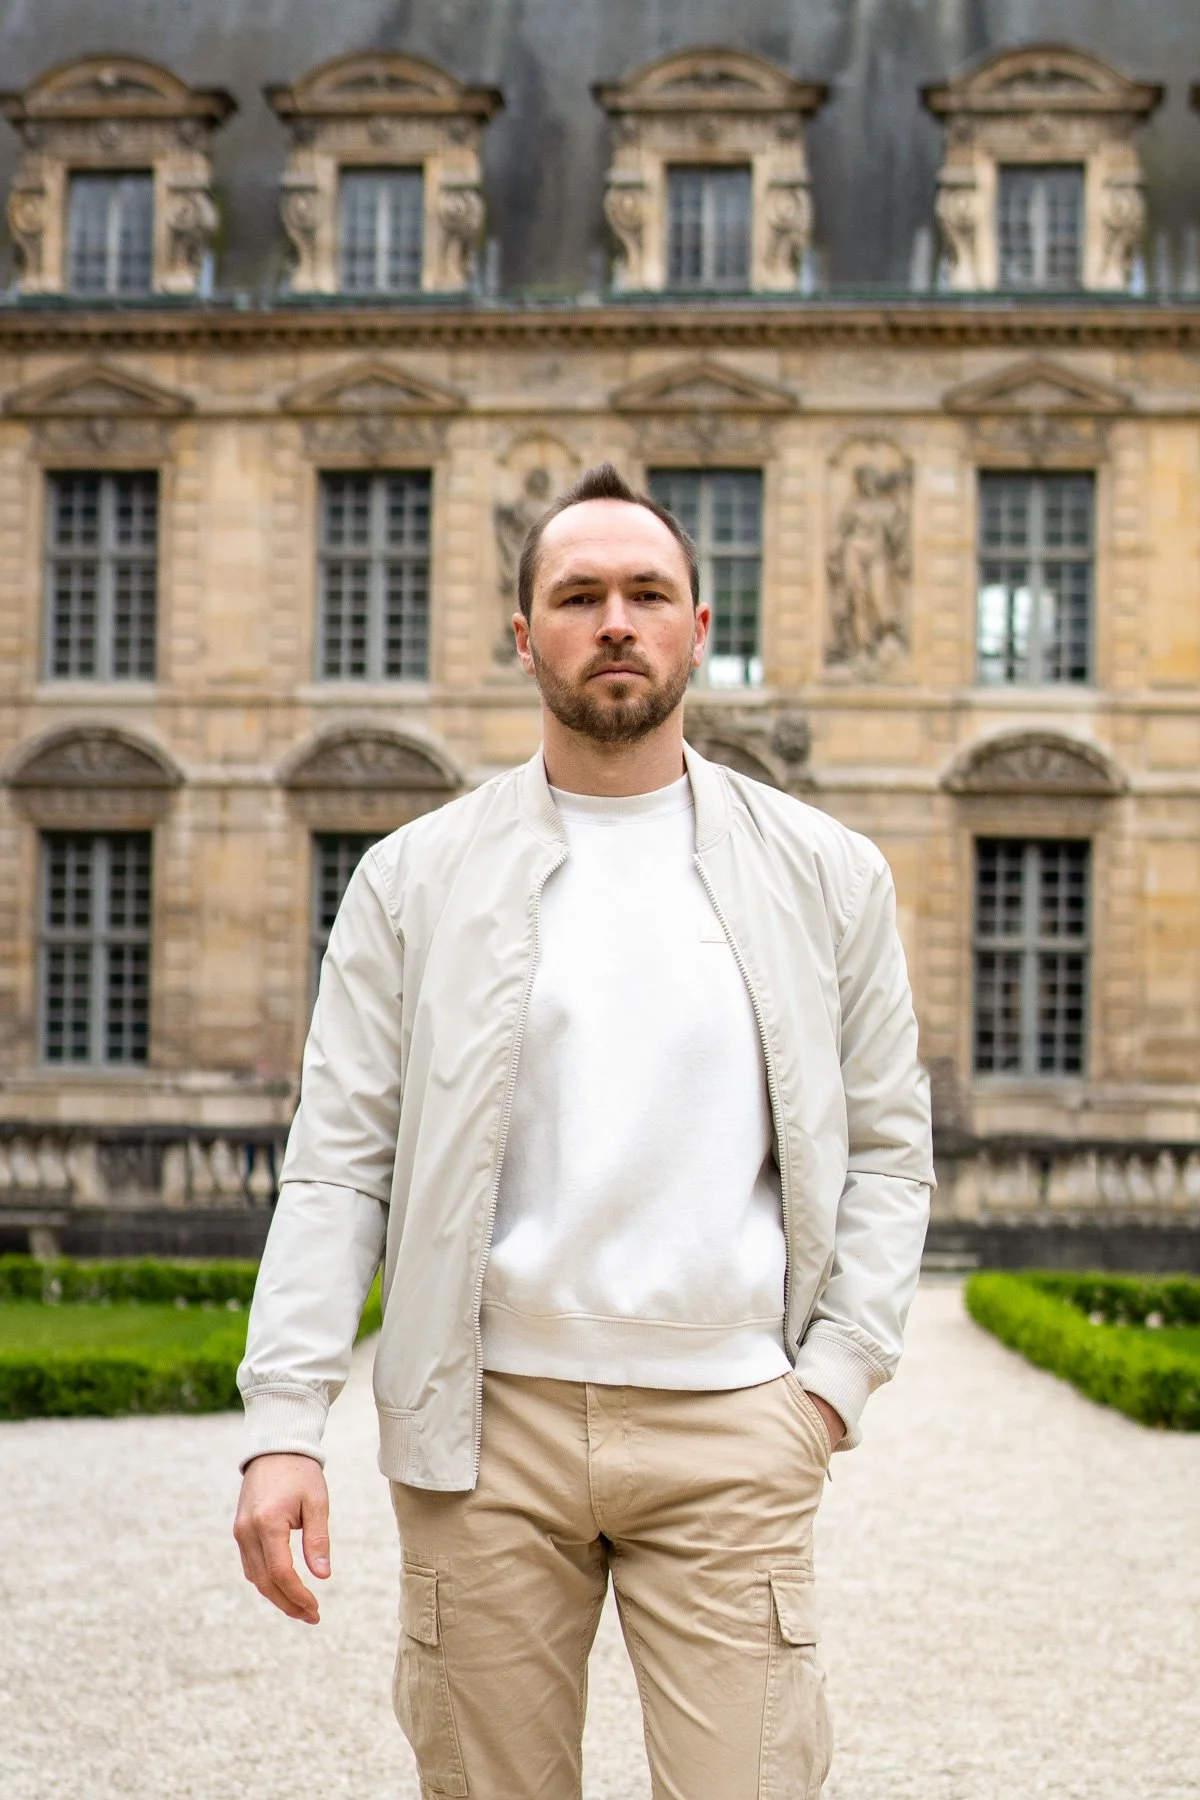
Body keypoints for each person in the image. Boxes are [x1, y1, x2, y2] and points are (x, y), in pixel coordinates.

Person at [233, 462, 934, 1799]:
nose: (615, 620)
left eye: (647, 593)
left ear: (698, 627)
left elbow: (893, 1149)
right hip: (482, 1435)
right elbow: (338, 1165)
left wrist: (833, 1387)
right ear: (524, 634)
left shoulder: (828, 872)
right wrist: (283, 1423)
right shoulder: (413, 878)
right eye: (579, 595)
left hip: (735, 1424)